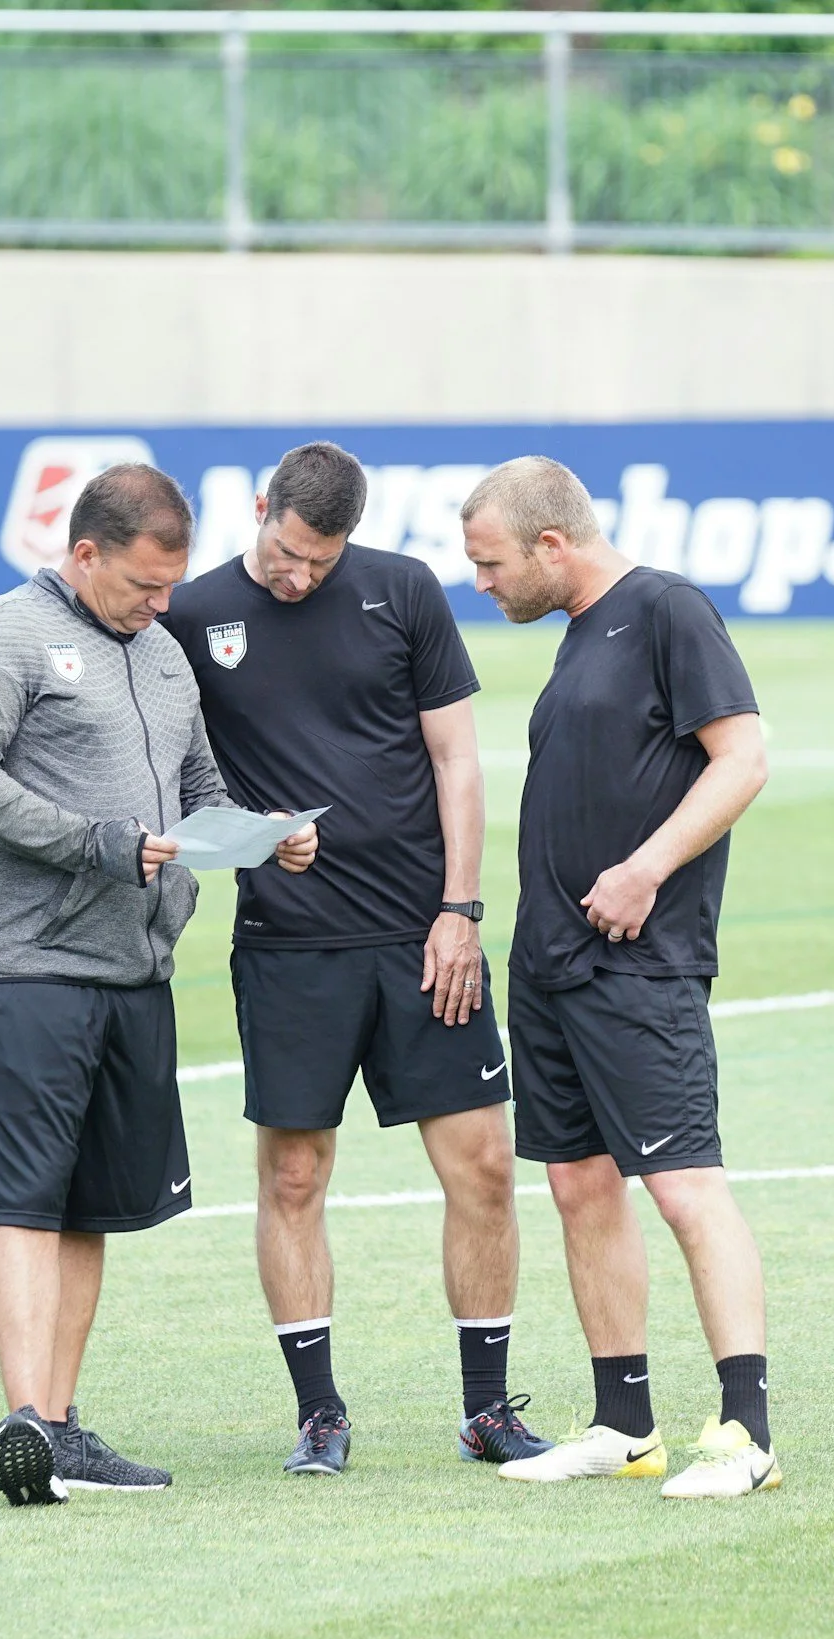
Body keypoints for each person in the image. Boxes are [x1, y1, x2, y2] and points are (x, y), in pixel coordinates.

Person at [162, 441, 553, 1478]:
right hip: (288, 945)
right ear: (259, 510)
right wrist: (245, 834)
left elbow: (455, 758)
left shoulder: (402, 591)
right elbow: (170, 785)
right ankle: (319, 1414)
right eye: (288, 555)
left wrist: (460, 908)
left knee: (480, 1166)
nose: (301, 576)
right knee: (293, 1173)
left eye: (320, 562)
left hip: (424, 938)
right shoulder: (193, 616)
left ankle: (485, 1410)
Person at [0, 461, 317, 1507]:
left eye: (170, 588)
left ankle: (57, 1423)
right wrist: (92, 844)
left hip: (136, 967)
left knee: (95, 1207)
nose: (159, 606)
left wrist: (251, 836)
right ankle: (22, 1418)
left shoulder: (162, 653)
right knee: (23, 1199)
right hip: (24, 966)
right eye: (143, 586)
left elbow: (195, 783)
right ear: (85, 551)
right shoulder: (3, 638)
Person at [459, 456, 781, 1500]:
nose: (483, 582)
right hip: (550, 964)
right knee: (577, 1183)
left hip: (638, 965)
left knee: (685, 1185)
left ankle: (749, 1432)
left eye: (491, 562)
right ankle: (622, 1420)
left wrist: (646, 867)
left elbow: (743, 758)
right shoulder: (577, 637)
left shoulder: (665, 610)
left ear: (552, 545)